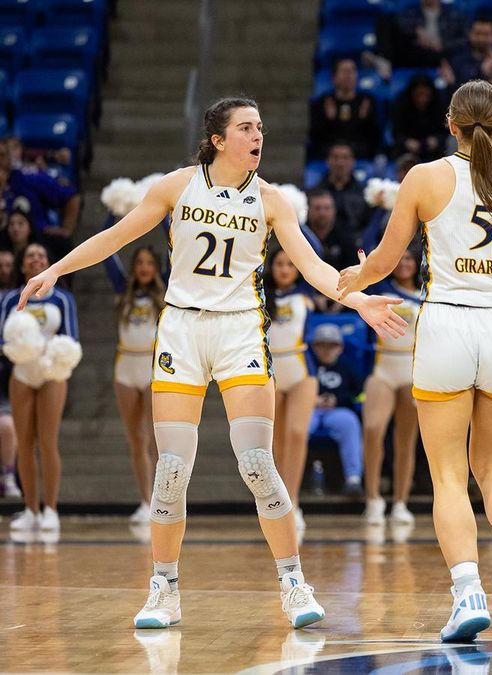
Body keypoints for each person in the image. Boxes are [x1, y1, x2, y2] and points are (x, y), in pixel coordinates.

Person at [17, 96, 405, 628]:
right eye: (246, 128)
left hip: (240, 330)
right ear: (219, 139)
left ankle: (294, 583)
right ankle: (164, 589)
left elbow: (312, 266)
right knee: (171, 470)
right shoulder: (176, 186)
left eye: (260, 127)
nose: (257, 135)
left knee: (257, 463)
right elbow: (114, 237)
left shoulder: (271, 200)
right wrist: (56, 269)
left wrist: (357, 300)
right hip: (181, 328)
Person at [337, 80, 492, 642]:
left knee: (447, 476)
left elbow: (385, 262)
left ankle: (467, 593)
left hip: (447, 325)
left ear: (451, 125)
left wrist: (355, 277)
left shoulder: (424, 177)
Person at [1, 242, 77, 532]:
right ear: (22, 264)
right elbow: (2, 338)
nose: (36, 259)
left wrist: (56, 357)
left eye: (41, 255)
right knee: (24, 443)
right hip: (22, 372)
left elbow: (71, 338)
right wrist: (19, 349)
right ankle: (31, 509)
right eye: (30, 256)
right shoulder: (11, 298)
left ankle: (51, 510)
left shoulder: (62, 298)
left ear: (48, 263)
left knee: (47, 441)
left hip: (51, 373)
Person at [105, 245, 167, 524]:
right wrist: (114, 219)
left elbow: (173, 243)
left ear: (156, 267)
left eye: (149, 262)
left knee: (156, 439)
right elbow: (108, 254)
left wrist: (168, 219)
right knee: (136, 439)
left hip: (153, 367)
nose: (144, 267)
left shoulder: (165, 291)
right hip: (126, 368)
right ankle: (144, 501)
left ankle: (161, 502)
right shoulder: (122, 288)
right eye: (139, 262)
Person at [362, 249, 423, 526]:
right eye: (399, 258)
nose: (404, 263)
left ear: (417, 263)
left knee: (406, 440)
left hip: (412, 370)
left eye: (409, 259)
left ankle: (400, 503)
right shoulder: (380, 291)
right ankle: (373, 499)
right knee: (373, 428)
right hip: (382, 368)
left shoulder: (426, 294)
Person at [264, 248, 318, 529]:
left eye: (290, 264)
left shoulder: (307, 291)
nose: (285, 269)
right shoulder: (260, 293)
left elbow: (314, 249)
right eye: (279, 264)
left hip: (302, 371)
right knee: (277, 443)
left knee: (297, 434)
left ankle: (294, 502)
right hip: (271, 372)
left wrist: (296, 222)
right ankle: (280, 504)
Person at [308, 323, 365, 496]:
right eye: (322, 345)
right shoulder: (307, 366)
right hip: (309, 410)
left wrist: (338, 400)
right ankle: (284, 477)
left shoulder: (348, 367)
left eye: (331, 345)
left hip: (338, 411)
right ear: (314, 347)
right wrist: (312, 400)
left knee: (350, 422)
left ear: (340, 347)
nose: (327, 350)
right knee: (298, 425)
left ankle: (353, 479)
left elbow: (359, 394)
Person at [0, 142, 80, 259]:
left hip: (37, 236)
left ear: (9, 158)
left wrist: (66, 229)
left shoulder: (28, 178)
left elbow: (72, 196)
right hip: (3, 241)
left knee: (62, 243)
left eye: (2, 155)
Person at [309, 59, 382, 161]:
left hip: (360, 152)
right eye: (344, 72)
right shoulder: (323, 102)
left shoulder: (367, 101)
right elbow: (315, 136)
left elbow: (375, 136)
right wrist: (330, 120)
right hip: (330, 151)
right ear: (334, 78)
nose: (349, 76)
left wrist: (364, 120)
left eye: (352, 71)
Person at [374, 0, 467, 70]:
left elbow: (464, 39)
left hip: (442, 54)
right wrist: (415, 33)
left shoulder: (453, 14)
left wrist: (442, 44)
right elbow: (399, 28)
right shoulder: (411, 12)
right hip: (415, 52)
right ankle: (384, 60)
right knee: (385, 20)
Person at [445, 17, 492, 102]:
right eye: (478, 34)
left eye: (486, 34)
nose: (481, 39)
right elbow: (455, 96)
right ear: (470, 34)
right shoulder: (458, 61)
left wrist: (491, 76)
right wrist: (482, 73)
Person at [390, 74, 449, 163]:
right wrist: (407, 142)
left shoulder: (440, 103)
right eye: (418, 95)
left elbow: (447, 130)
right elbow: (396, 132)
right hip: (408, 149)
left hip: (436, 149)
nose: (422, 99)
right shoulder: (401, 104)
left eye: (426, 95)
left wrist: (437, 140)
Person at [317, 144, 371, 234]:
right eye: (335, 157)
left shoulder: (364, 194)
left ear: (353, 162)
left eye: (345, 158)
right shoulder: (315, 193)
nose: (340, 163)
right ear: (327, 161)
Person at [0, 249, 16, 499]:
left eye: (7, 265)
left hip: (8, 369)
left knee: (7, 425)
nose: (3, 269)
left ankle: (9, 475)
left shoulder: (14, 297)